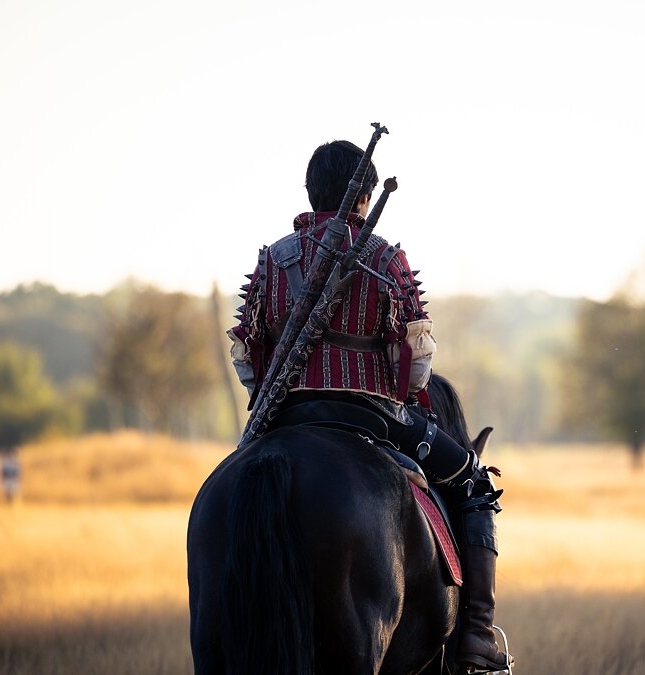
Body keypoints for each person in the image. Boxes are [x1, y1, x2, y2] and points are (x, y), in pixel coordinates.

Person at [227, 139, 511, 672]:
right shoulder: (385, 258)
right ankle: (475, 637)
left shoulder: (273, 259)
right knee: (474, 484)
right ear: (363, 200)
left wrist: (274, 395)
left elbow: (245, 352)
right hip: (372, 418)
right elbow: (417, 354)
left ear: (311, 195)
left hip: (285, 417)